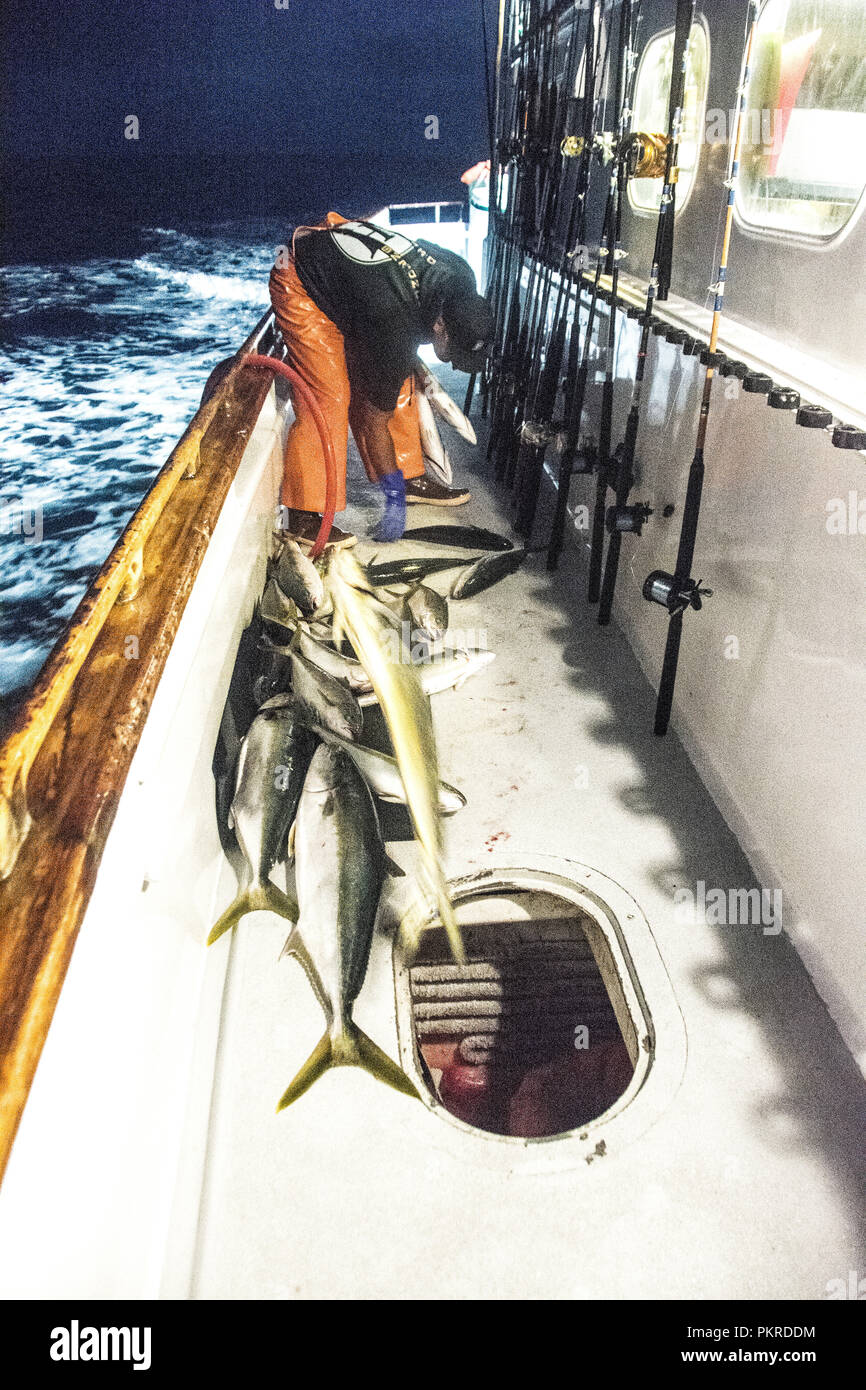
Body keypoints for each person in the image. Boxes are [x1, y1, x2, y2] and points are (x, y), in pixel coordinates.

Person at [268, 211, 493, 548]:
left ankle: (408, 477)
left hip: (363, 284)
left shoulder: (461, 276)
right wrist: (393, 501)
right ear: (440, 326)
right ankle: (301, 516)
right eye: (456, 354)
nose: (458, 367)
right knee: (330, 397)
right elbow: (374, 422)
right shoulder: (392, 324)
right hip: (303, 278)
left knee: (396, 379)